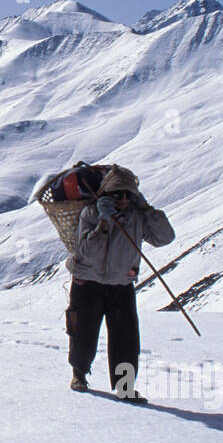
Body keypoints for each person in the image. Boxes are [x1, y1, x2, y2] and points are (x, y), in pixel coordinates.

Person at [64, 166, 175, 401]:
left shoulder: (137, 216)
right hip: (88, 282)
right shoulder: (91, 214)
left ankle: (125, 387)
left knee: (126, 337)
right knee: (83, 331)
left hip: (120, 284)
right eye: (118, 194)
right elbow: (86, 252)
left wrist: (147, 209)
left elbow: (165, 238)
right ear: (107, 195)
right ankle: (79, 375)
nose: (124, 199)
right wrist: (103, 224)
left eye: (129, 195)